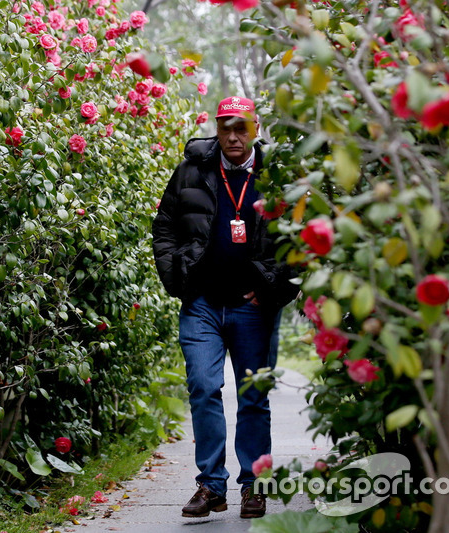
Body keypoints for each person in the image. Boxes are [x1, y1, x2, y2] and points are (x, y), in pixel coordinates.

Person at [152, 96, 298, 519]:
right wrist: (176, 276)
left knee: (253, 397)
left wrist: (273, 289)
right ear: (216, 129)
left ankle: (254, 486)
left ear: (254, 128)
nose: (233, 136)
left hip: (253, 307)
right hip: (201, 304)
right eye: (225, 128)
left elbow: (298, 239)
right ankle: (211, 486)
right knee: (202, 386)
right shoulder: (191, 171)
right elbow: (164, 227)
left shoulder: (276, 176)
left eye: (241, 128)